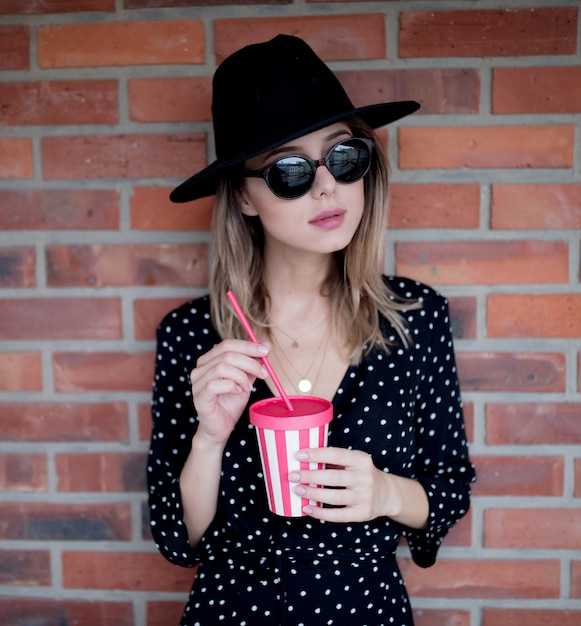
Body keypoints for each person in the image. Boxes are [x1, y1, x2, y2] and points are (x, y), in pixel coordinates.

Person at [147, 34, 475, 626]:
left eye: (344, 157)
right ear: (244, 198)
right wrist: (210, 438)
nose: (327, 187)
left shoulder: (415, 319)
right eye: (290, 170)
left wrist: (384, 493)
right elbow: (177, 535)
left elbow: (449, 487)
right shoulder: (193, 336)